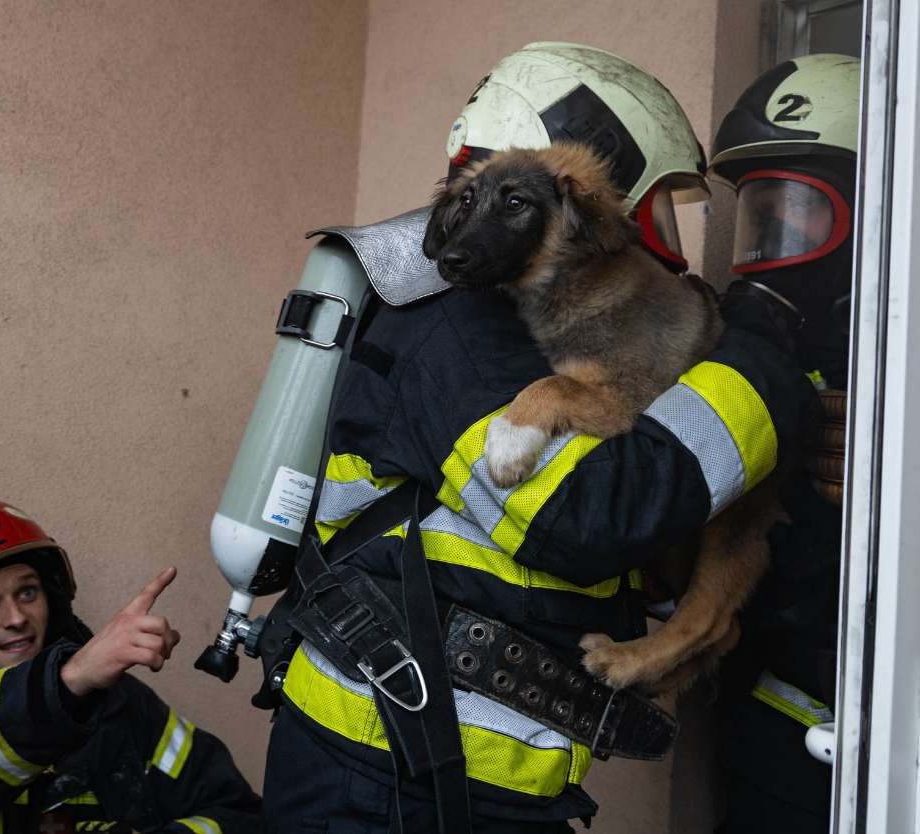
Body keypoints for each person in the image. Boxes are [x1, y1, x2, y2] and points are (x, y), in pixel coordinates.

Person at [261, 42, 820, 833]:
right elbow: (586, 516)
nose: (647, 234)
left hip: (458, 769)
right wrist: (758, 365)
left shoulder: (514, 314)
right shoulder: (451, 322)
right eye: (652, 203)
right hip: (386, 775)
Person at [0, 496, 262, 834]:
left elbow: (236, 813)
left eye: (27, 591)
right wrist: (70, 678)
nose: (16, 617)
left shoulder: (122, 703)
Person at [703, 53, 860, 834]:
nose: (775, 237)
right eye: (761, 212)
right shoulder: (748, 351)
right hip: (774, 752)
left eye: (802, 209)